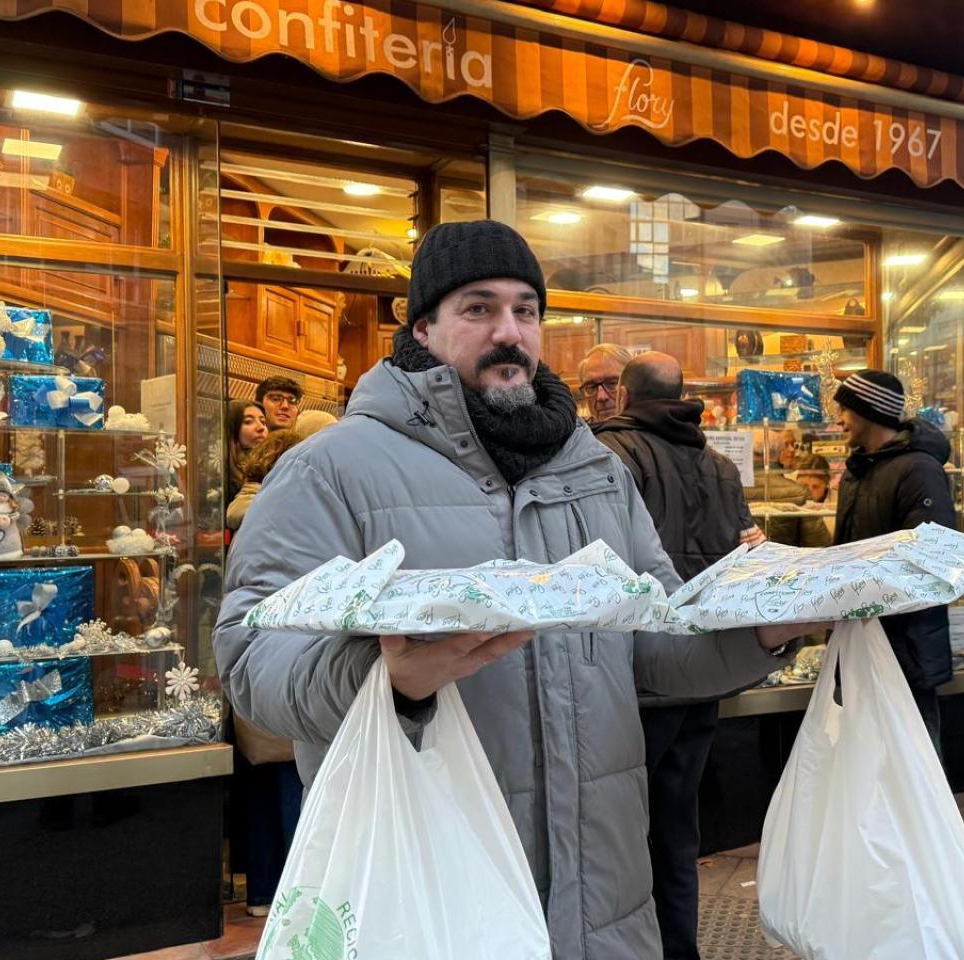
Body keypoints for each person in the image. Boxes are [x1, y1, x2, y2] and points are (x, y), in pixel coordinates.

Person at [214, 220, 817, 955]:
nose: (509, 331)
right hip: (432, 904)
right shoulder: (330, 469)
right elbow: (251, 659)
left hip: (605, 906)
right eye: (479, 308)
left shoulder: (596, 468)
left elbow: (654, 638)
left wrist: (763, 628)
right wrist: (389, 682)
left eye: (525, 310)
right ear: (424, 328)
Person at [592, 350, 754, 960]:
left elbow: (599, 565)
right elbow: (744, 553)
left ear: (625, 395)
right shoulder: (720, 465)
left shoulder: (611, 453)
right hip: (702, 670)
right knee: (678, 829)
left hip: (635, 674)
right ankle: (680, 949)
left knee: (620, 834)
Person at [831, 369, 956, 748]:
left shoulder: (919, 471)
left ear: (868, 412)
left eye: (845, 410)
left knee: (912, 757)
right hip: (859, 639)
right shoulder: (856, 471)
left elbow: (930, 558)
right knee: (863, 753)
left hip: (905, 644)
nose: (839, 419)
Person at [222, 425, 311, 916]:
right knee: (294, 784)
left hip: (249, 663)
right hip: (285, 658)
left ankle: (261, 893)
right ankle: (299, 900)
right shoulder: (283, 513)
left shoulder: (242, 512)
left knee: (260, 784)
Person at [225, 400, 269, 507]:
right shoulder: (221, 476)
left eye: (263, 422)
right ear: (231, 428)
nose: (261, 428)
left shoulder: (271, 466)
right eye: (248, 422)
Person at [578, 342, 633, 423]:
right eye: (591, 387)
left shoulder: (651, 427)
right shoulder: (575, 430)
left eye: (612, 383)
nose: (601, 397)